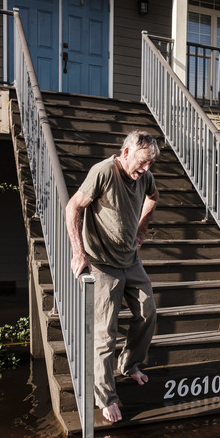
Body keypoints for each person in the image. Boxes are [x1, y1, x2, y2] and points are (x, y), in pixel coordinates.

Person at [64, 130, 161, 423]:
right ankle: (106, 397)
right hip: (102, 263)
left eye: (151, 164)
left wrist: (141, 229)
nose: (146, 169)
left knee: (148, 312)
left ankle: (129, 364)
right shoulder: (104, 172)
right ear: (127, 152)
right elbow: (73, 207)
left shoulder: (144, 176)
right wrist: (78, 252)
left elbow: (153, 197)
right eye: (143, 162)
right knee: (104, 333)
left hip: (130, 260)